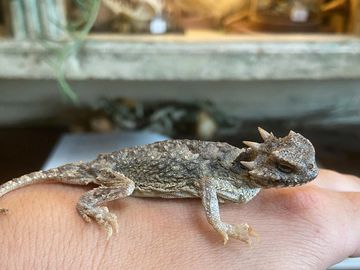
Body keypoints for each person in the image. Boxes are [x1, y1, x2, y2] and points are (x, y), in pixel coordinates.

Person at [0, 169, 359, 269]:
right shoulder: (231, 181)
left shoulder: (245, 182)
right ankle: (88, 204)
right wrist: (219, 225)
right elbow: (207, 183)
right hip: (120, 171)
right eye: (286, 171)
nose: (303, 178)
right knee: (124, 185)